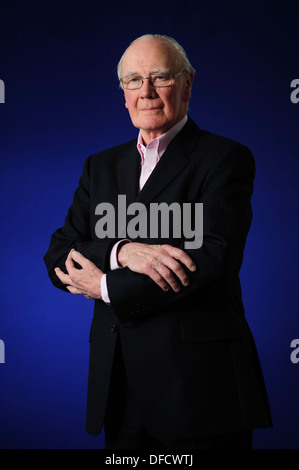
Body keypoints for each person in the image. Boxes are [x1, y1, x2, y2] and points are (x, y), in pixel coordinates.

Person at [43, 34, 272, 449]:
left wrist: (105, 286)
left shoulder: (225, 159)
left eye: (160, 77)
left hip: (199, 389)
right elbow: (60, 252)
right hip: (119, 385)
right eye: (133, 80)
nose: (145, 92)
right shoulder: (101, 167)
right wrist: (121, 250)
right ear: (124, 93)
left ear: (187, 84)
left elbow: (210, 258)